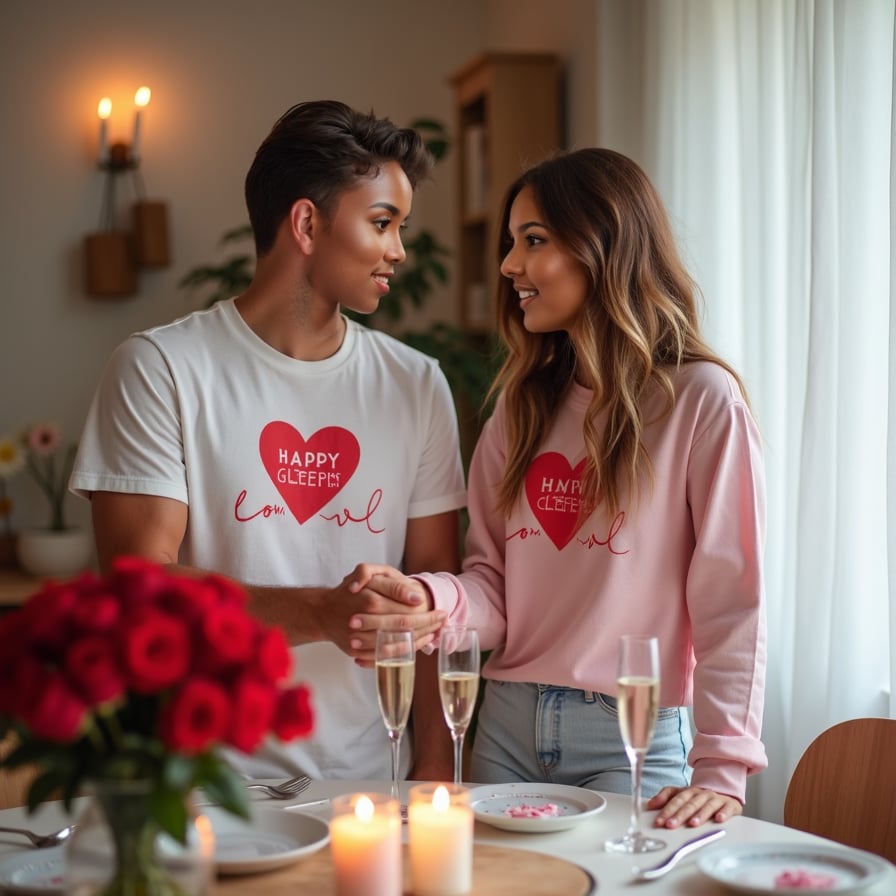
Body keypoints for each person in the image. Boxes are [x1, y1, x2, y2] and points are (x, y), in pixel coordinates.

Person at [352, 147, 767, 829]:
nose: (509, 265)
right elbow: (494, 586)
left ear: (602, 246)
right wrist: (429, 601)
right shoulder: (519, 410)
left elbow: (732, 597)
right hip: (505, 731)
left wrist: (723, 767)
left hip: (631, 732)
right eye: (511, 243)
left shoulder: (700, 402)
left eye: (533, 241)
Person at [69, 100, 466, 782]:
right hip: (202, 784)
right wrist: (322, 611)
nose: (398, 250)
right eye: (382, 224)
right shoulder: (160, 368)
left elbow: (435, 599)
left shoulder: (417, 384)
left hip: (374, 782)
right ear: (308, 223)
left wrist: (435, 768)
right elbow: (139, 584)